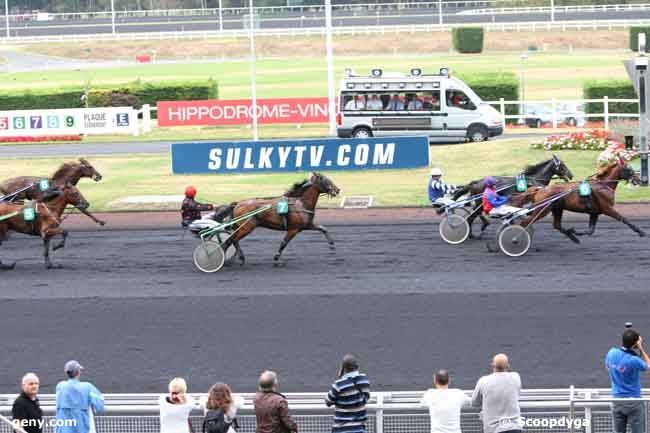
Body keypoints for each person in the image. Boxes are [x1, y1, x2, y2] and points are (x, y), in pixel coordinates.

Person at [605, 328, 650, 433]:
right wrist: (641, 348)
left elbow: (608, 367)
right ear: (635, 344)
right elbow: (648, 365)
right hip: (634, 402)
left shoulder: (611, 353)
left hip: (617, 401)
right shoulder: (634, 360)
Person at [471, 354, 522, 433]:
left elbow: (474, 403)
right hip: (514, 427)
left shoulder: (483, 381)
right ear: (508, 366)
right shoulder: (516, 377)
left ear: (492, 365)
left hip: (493, 429)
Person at [325, 354, 371, 433]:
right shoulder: (364, 380)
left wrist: (340, 378)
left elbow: (328, 401)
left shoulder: (339, 384)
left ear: (343, 368)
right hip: (359, 429)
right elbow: (366, 398)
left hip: (341, 429)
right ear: (356, 366)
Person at [55, 360, 104, 433]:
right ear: (78, 372)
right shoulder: (87, 387)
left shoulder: (60, 386)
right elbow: (99, 406)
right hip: (82, 428)